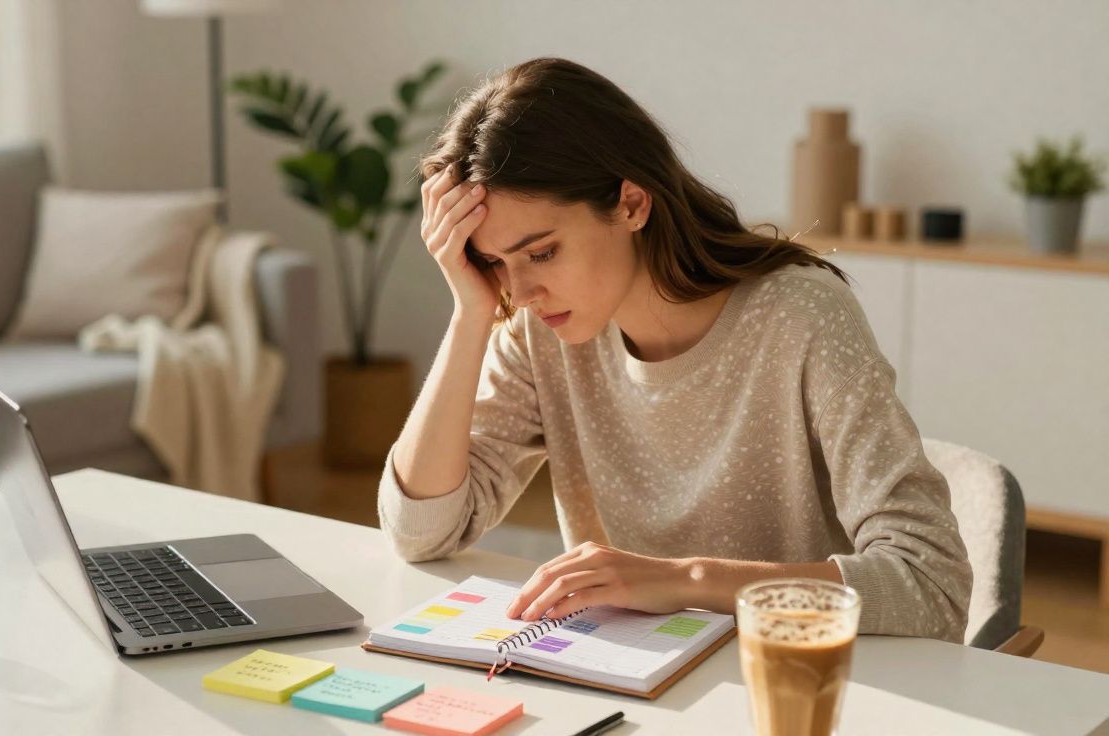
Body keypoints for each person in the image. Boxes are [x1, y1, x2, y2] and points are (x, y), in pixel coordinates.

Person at [377, 57, 971, 642]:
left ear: (632, 204)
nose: (522, 291)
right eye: (492, 261)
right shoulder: (539, 330)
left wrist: (684, 580)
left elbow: (931, 584)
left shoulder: (801, 317)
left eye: (542, 253)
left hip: (792, 673)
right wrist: (470, 313)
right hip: (637, 675)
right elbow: (420, 533)